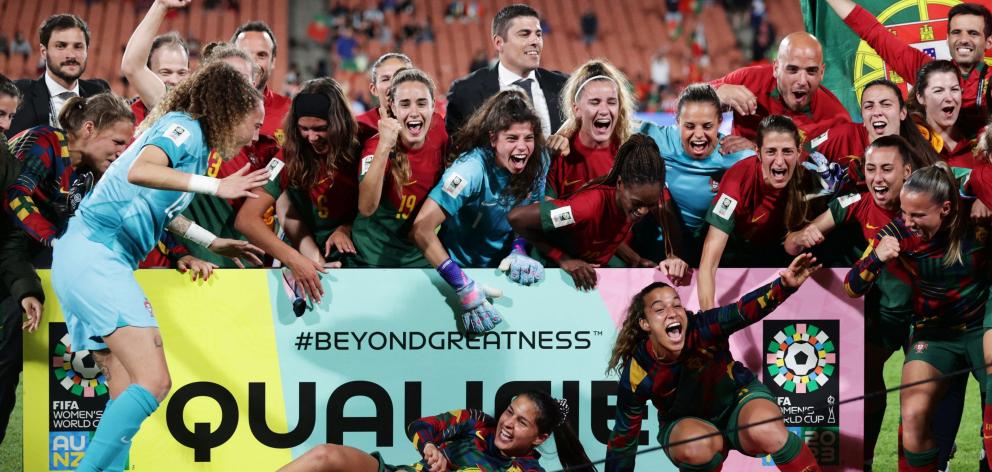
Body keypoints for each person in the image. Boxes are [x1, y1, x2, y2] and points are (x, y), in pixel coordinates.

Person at [49, 62, 268, 472]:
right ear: (232, 112)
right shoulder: (185, 128)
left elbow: (158, 206)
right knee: (155, 381)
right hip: (97, 255)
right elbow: (140, 171)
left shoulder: (194, 142)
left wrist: (211, 241)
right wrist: (217, 186)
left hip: (83, 256)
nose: (255, 135)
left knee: (124, 384)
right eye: (253, 124)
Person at [604, 253, 823, 472]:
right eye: (659, 310)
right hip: (686, 423)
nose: (671, 313)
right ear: (644, 323)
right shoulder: (638, 370)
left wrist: (783, 286)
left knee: (766, 429)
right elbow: (624, 438)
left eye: (677, 306)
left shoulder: (704, 327)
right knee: (696, 447)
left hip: (739, 401)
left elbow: (743, 310)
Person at [844, 163, 991, 471]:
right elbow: (851, 286)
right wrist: (876, 256)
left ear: (946, 208)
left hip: (981, 326)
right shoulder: (896, 231)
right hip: (933, 334)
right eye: (905, 212)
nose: (907, 221)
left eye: (918, 215)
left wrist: (985, 197)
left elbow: (979, 173)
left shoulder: (977, 216)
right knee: (912, 416)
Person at [412, 89, 548, 333]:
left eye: (528, 137)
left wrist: (520, 249)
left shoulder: (538, 161)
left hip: (503, 277)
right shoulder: (470, 169)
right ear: (493, 139)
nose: (522, 147)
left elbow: (530, 216)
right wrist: (461, 285)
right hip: (457, 277)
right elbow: (421, 228)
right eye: (512, 138)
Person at [509, 134, 690, 291]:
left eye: (649, 205)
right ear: (620, 183)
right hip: (548, 266)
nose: (642, 212)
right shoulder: (582, 209)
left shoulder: (636, 198)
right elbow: (517, 218)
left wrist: (635, 259)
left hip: (588, 261)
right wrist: (563, 259)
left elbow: (601, 228)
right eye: (637, 204)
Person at [236, 78, 360, 303]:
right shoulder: (288, 156)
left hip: (359, 259)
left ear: (339, 122)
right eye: (304, 129)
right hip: (308, 261)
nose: (311, 137)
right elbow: (246, 219)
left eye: (320, 129)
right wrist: (296, 259)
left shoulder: (363, 146)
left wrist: (347, 227)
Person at [279, 391, 591, 472]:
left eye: (522, 422)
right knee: (325, 455)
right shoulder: (478, 421)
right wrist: (429, 448)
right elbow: (421, 426)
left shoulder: (526, 468)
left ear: (540, 437)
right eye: (510, 412)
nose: (508, 423)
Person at [825, 0, 992, 138]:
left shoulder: (989, 80)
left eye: (973, 33)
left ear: (989, 42)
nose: (963, 39)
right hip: (928, 166)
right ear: (947, 39)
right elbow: (874, 33)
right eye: (956, 32)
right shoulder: (927, 71)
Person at [697, 115, 811, 310]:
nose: (780, 162)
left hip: (776, 254)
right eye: (771, 152)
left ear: (799, 152)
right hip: (734, 251)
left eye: (787, 152)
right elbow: (709, 263)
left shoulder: (810, 176)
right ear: (758, 152)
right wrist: (709, 324)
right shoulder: (737, 180)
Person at [638, 83, 756, 264]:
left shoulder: (737, 155)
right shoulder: (657, 138)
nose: (699, 134)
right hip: (656, 242)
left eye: (707, 126)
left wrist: (758, 146)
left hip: (711, 243)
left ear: (719, 122)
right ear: (677, 121)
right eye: (690, 126)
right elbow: (617, 128)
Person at [353, 68, 446, 268]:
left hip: (421, 257)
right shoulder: (375, 147)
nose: (414, 112)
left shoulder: (441, 130)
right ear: (393, 107)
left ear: (433, 106)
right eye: (405, 104)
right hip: (372, 258)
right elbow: (366, 207)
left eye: (422, 103)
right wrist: (385, 145)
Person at [446, 4, 567, 137]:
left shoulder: (564, 86)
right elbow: (456, 152)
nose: (535, 41)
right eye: (525, 34)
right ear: (499, 43)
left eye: (538, 34)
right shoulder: (466, 92)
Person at [710, 32, 850, 141]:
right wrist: (716, 93)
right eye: (793, 70)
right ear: (776, 68)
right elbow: (688, 98)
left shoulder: (837, 122)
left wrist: (756, 152)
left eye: (811, 71)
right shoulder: (748, 80)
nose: (802, 81)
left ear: (822, 72)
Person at [809, 78, 941, 186]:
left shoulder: (921, 153)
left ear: (902, 113)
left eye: (885, 104)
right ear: (863, 118)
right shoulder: (843, 135)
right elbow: (800, 155)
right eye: (869, 106)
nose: (877, 112)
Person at [7, 14, 110, 137]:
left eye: (78, 47)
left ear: (86, 51)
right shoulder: (19, 94)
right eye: (61, 46)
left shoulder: (99, 93)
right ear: (43, 52)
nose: (71, 55)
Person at [546, 59, 634, 198]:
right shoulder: (560, 155)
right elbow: (546, 214)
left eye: (611, 102)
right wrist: (579, 211)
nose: (604, 110)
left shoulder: (632, 153)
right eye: (595, 102)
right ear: (576, 109)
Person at [120, 0, 192, 125]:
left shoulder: (201, 112)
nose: (174, 80)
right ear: (148, 72)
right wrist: (160, 5)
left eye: (182, 73)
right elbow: (131, 66)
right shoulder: (124, 118)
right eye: (165, 72)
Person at [910, 60, 982, 169]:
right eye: (939, 91)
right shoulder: (911, 146)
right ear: (920, 97)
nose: (949, 98)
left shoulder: (980, 141)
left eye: (954, 89)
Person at [232, 20, 291, 143]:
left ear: (273, 61)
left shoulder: (291, 113)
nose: (252, 64)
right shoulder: (206, 109)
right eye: (244, 54)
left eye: (261, 55)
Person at [356, 52, 413, 142]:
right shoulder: (359, 127)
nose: (393, 84)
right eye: (385, 79)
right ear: (374, 89)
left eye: (400, 76)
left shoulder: (433, 124)